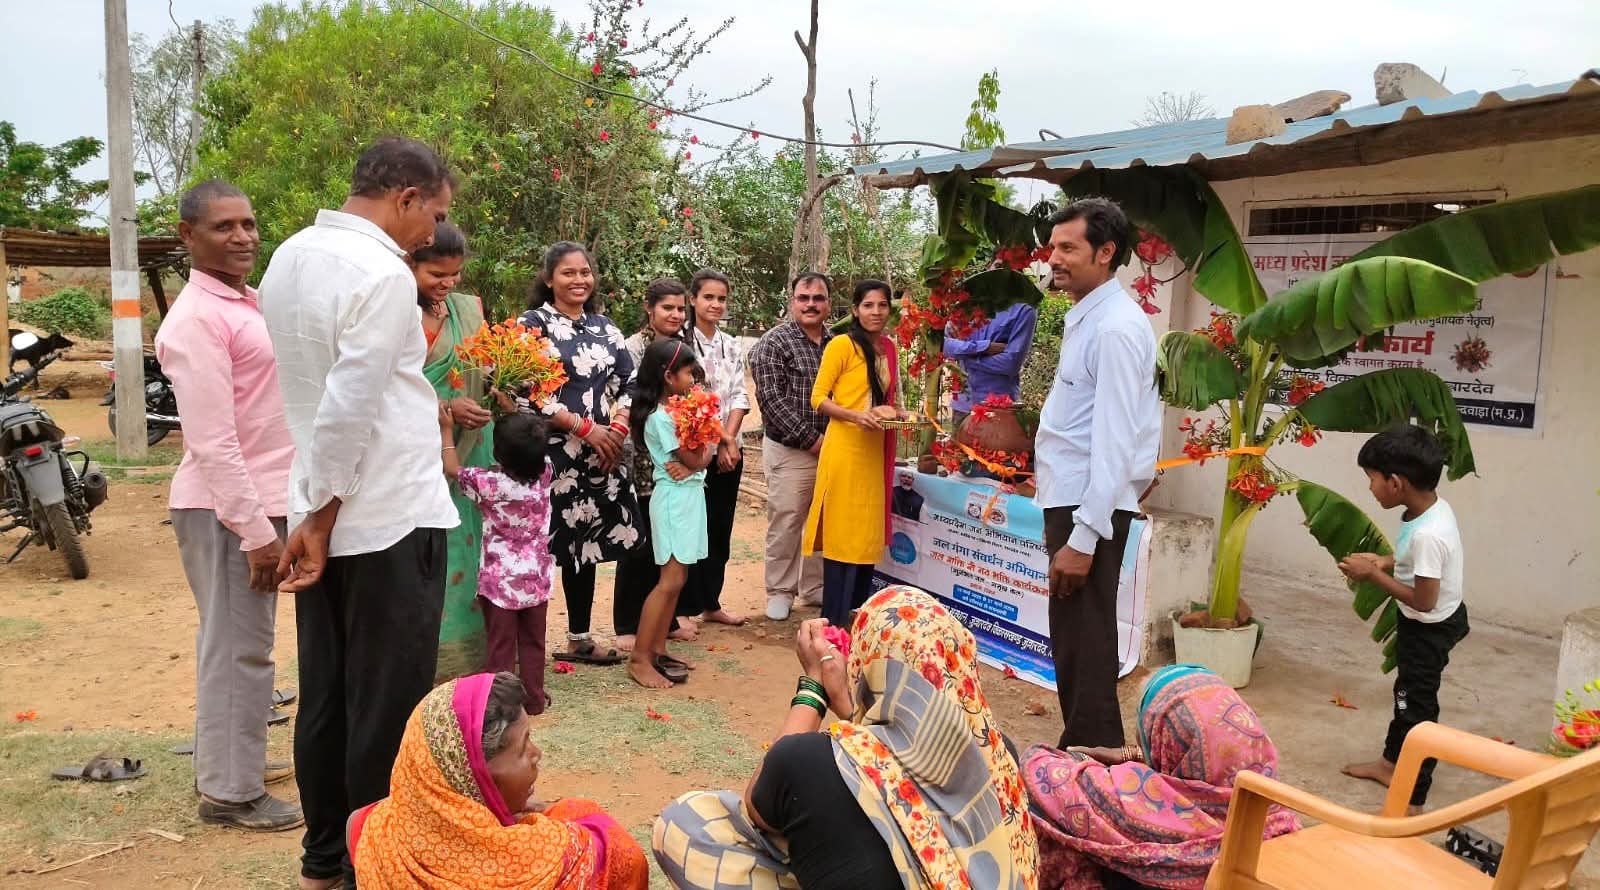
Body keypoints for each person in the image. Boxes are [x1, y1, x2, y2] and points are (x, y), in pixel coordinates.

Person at [260, 136, 459, 889]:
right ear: (405, 197)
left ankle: (324, 861)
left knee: (328, 698)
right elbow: (351, 406)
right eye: (433, 215)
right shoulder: (380, 272)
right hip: (382, 516)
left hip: (325, 511)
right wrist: (323, 517)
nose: (433, 235)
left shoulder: (288, 255)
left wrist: (312, 514)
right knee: (387, 708)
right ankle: (371, 867)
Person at [653, 586, 1038, 890]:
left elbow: (758, 811)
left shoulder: (807, 763)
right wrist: (852, 711)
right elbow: (906, 753)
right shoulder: (1002, 756)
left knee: (689, 820)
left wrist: (815, 688)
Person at [155, 180, 301, 831]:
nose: (242, 237)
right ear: (188, 236)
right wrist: (255, 533)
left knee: (245, 647)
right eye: (223, 227)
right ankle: (230, 792)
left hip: (260, 502)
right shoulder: (195, 320)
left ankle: (231, 767)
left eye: (248, 223)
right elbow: (213, 442)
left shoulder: (248, 302)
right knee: (238, 650)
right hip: (226, 511)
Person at [1034, 197, 1161, 750]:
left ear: (1106, 252)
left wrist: (1084, 537)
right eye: (1054, 246)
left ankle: (1095, 752)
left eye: (1069, 248)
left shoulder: (1114, 328)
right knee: (1074, 635)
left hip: (1089, 505)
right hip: (1079, 495)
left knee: (1084, 636)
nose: (1054, 258)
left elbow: (1114, 439)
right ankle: (1088, 745)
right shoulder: (1091, 317)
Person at [351, 672, 649, 889]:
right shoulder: (559, 860)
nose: (537, 755)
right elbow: (626, 860)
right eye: (523, 748)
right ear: (474, 777)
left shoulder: (368, 829)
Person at [1023, 665, 1300, 889]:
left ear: (1166, 741)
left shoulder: (1142, 810)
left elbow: (1036, 768)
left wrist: (1128, 761)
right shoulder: (1275, 811)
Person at [518, 242, 640, 667]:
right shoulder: (532, 325)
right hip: (553, 453)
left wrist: (616, 432)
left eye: (585, 272)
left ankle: (579, 636)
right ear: (549, 278)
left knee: (584, 545)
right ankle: (523, 643)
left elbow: (632, 381)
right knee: (541, 545)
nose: (579, 280)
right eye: (568, 273)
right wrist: (585, 429)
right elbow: (526, 388)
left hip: (602, 454)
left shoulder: (606, 328)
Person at [1337, 424, 1468, 810]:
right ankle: (1388, 764)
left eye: (1371, 479)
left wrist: (1373, 574)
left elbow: (1424, 601)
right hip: (1433, 619)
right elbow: (1414, 556)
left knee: (1416, 709)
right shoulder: (1428, 509)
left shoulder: (1430, 534)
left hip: (1429, 627)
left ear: (1396, 483)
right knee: (1405, 697)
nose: (1369, 487)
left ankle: (1414, 792)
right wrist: (1386, 560)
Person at [410, 220, 499, 667]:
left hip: (474, 451)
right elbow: (389, 390)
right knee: (432, 560)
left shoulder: (468, 310)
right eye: (436, 275)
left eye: (455, 274)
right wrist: (444, 407)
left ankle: (480, 661)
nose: (447, 284)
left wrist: (499, 389)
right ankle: (435, 662)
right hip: (416, 459)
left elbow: (486, 369)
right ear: (410, 265)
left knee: (476, 551)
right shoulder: (396, 316)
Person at [804, 279, 906, 628]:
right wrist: (854, 415)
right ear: (855, 310)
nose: (875, 312)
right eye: (868, 305)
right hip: (845, 449)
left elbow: (884, 401)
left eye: (882, 305)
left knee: (866, 535)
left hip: (874, 452)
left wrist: (898, 413)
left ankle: (858, 618)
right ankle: (831, 620)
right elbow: (818, 398)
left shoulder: (889, 349)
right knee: (843, 534)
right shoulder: (842, 346)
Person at [439, 409, 555, 716]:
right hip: (537, 579)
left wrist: (446, 430)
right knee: (533, 642)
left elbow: (452, 468)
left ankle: (501, 707)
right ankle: (534, 699)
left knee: (501, 647)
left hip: (499, 581)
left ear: (497, 451)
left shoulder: (489, 483)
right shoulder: (546, 471)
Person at [627, 338, 715, 689]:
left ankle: (659, 648)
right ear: (668, 376)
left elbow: (694, 462)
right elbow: (695, 459)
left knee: (677, 580)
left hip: (688, 497)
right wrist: (707, 448)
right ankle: (639, 658)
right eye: (688, 371)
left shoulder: (678, 410)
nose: (693, 377)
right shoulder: (660, 418)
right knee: (668, 581)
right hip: (674, 501)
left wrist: (698, 457)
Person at [615, 279, 696, 651]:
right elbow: (624, 399)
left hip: (673, 467)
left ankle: (662, 630)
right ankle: (631, 625)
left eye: (681, 308)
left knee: (667, 557)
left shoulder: (684, 348)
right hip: (644, 460)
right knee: (641, 548)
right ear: (649, 308)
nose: (676, 314)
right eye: (668, 308)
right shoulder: (631, 347)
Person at [749, 273, 833, 620]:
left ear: (829, 303)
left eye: (818, 298)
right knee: (787, 520)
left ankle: (814, 589)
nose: (810, 304)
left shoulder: (838, 343)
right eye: (803, 297)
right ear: (792, 301)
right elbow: (771, 402)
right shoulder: (774, 342)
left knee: (823, 521)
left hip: (834, 450)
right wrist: (815, 442)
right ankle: (780, 591)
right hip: (792, 450)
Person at [684, 268, 750, 627]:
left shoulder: (731, 344)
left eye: (721, 298)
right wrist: (721, 439)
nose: (715, 304)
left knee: (720, 528)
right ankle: (684, 608)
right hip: (693, 451)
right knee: (691, 529)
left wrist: (730, 440)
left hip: (729, 451)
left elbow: (739, 394)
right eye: (708, 297)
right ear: (692, 299)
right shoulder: (681, 343)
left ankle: (711, 602)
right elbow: (687, 400)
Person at [943, 301, 1039, 430]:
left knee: (996, 449)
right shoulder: (965, 304)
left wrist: (965, 355)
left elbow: (1010, 364)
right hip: (963, 405)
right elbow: (944, 346)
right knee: (958, 449)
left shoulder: (1024, 310)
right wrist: (987, 347)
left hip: (999, 409)